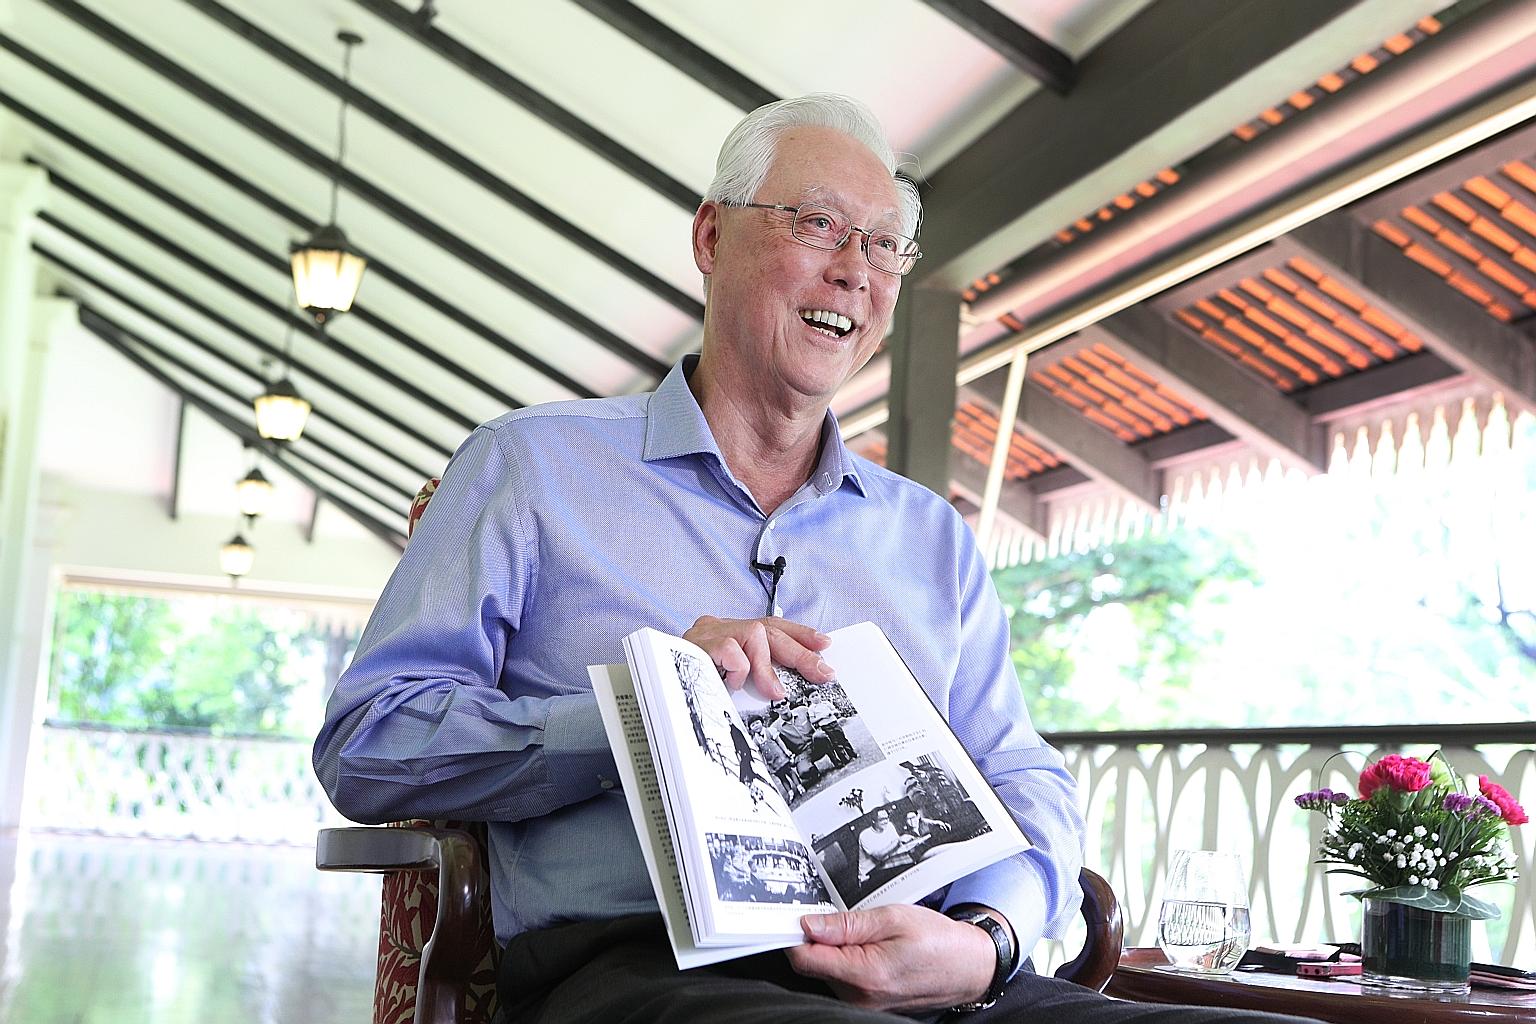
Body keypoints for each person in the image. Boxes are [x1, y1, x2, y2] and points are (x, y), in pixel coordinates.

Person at [314, 93, 1316, 1023]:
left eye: (884, 244)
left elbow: (1023, 776)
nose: (856, 269)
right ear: (712, 236)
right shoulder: (531, 466)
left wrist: (990, 940)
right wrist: (644, 711)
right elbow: (365, 745)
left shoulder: (929, 536)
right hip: (638, 969)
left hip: (924, 980)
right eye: (816, 224)